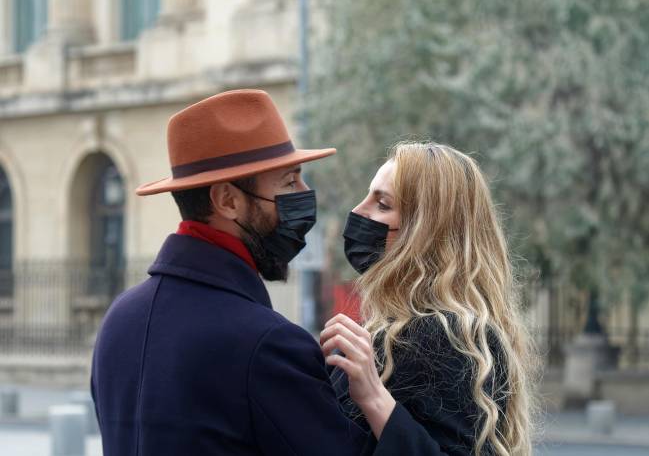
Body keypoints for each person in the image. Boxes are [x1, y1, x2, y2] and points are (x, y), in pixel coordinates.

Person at [90, 89, 372, 455]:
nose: (305, 193)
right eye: (289, 182)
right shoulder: (270, 345)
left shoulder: (119, 319)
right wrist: (379, 402)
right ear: (227, 200)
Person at [321, 142, 536, 455]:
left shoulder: (443, 334)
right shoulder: (400, 326)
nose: (357, 212)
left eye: (382, 205)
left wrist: (374, 399)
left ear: (425, 230)